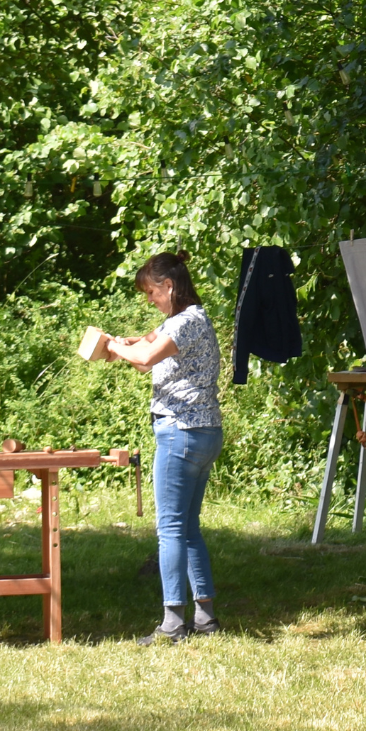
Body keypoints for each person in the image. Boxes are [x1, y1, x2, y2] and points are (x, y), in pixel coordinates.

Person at [106, 251, 225, 646]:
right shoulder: (189, 319)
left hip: (180, 433)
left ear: (170, 286)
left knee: (170, 528)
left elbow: (143, 355)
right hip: (204, 432)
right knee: (188, 528)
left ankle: (173, 622)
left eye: (152, 292)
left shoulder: (185, 322)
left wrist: (113, 346)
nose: (149, 299)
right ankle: (205, 616)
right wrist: (123, 345)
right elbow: (145, 356)